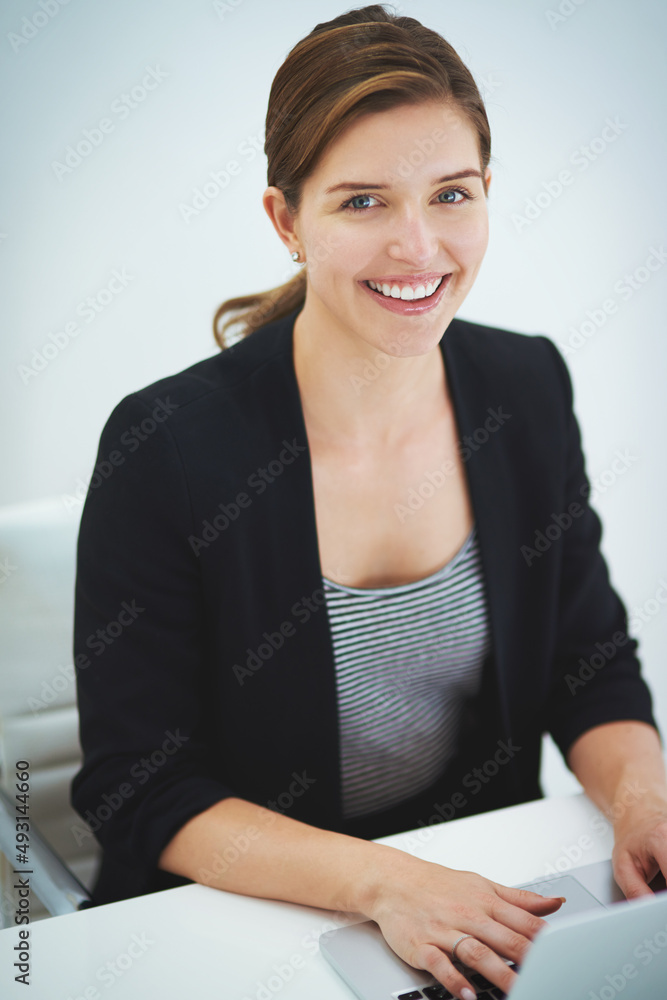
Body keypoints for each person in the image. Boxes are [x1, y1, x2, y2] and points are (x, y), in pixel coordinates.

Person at [71, 6, 667, 998]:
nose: (419, 246)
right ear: (285, 219)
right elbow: (142, 789)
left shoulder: (523, 389)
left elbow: (588, 664)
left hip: (477, 900)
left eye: (451, 193)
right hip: (239, 926)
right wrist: (386, 882)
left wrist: (643, 800)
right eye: (362, 203)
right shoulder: (166, 445)